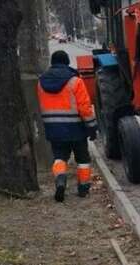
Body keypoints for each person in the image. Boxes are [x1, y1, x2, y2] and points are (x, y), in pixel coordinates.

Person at [37, 50, 98, 202]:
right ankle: (83, 188)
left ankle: (60, 181)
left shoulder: (41, 82)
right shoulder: (75, 81)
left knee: (59, 157)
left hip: (54, 129)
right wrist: (92, 127)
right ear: (66, 62)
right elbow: (84, 107)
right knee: (83, 159)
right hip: (76, 128)